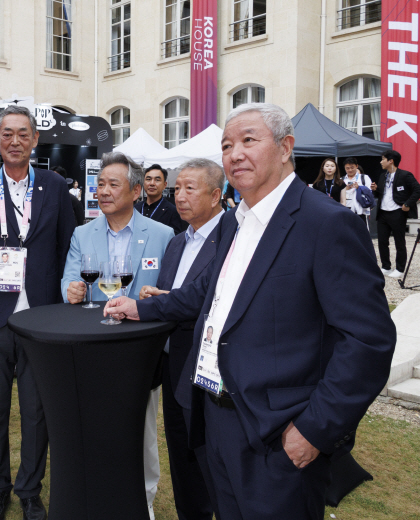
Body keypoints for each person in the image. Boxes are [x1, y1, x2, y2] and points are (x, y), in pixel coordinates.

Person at [105, 103, 396, 520]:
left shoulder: (326, 224)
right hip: (216, 418)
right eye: (226, 145)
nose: (234, 153)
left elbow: (368, 341)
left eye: (248, 140)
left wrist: (314, 431)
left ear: (285, 148)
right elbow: (200, 296)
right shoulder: (232, 224)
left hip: (278, 434)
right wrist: (139, 306)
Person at [0, 105, 75, 520]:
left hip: (41, 316)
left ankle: (29, 489)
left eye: (22, 134)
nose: (15, 141)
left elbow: (66, 250)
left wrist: (63, 307)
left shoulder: (54, 186)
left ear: (34, 140)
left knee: (36, 409)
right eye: (7, 134)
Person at [61, 151, 174, 520]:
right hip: (94, 346)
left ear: (136, 190)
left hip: (142, 350)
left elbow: (172, 291)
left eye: (113, 184)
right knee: (94, 426)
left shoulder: (161, 234)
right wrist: (72, 291)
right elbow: (70, 278)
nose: (103, 192)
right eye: (100, 184)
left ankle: (144, 500)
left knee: (140, 429)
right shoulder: (83, 232)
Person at [137, 158, 223, 520]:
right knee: (182, 459)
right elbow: (174, 297)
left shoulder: (232, 237)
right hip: (174, 365)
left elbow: (204, 298)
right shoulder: (175, 243)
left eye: (191, 188)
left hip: (211, 370)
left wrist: (150, 306)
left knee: (211, 462)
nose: (181, 197)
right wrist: (159, 298)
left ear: (217, 195)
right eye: (178, 189)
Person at [372, 149, 420, 278]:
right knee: (382, 241)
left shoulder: (405, 175)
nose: (381, 162)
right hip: (383, 212)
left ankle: (400, 268)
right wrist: (375, 190)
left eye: (383, 159)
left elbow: (417, 190)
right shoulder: (383, 175)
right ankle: (385, 266)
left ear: (390, 161)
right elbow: (382, 193)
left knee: (399, 241)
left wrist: (407, 204)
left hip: (397, 212)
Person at [136, 164, 184, 235]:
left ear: (165, 185)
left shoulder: (172, 211)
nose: (152, 183)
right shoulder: (136, 208)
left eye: (157, 180)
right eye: (148, 179)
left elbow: (175, 238)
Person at [341, 157, 373, 225]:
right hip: (346, 210)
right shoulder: (341, 180)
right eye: (347, 168)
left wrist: (359, 187)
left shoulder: (364, 178)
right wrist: (345, 188)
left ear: (357, 166)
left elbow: (369, 193)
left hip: (361, 210)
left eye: (352, 167)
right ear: (344, 168)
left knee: (361, 232)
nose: (350, 170)